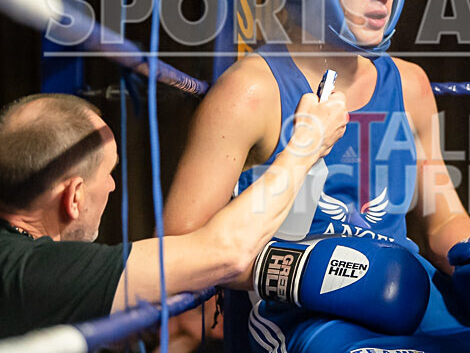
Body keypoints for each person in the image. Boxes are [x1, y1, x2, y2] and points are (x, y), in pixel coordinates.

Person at [163, 0, 470, 352]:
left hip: (411, 297)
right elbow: (180, 244)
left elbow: (441, 221)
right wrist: (305, 271)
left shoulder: (409, 85)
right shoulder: (251, 92)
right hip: (306, 318)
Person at [0, 91, 348, 339]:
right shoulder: (35, 271)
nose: (111, 185)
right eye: (108, 172)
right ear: (74, 196)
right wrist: (308, 144)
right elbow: (226, 252)